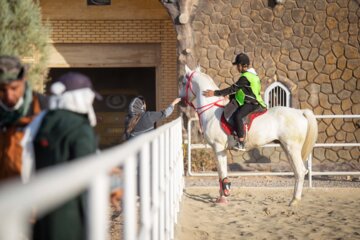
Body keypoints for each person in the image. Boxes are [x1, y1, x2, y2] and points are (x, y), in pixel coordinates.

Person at [31, 72, 101, 240]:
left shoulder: (41, 120)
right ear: (80, 97)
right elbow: (86, 169)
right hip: (70, 208)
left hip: (42, 202)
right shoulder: (79, 127)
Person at [203, 53, 266, 151]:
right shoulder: (252, 75)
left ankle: (241, 142)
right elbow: (244, 91)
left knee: (238, 115)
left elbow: (234, 88)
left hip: (252, 103)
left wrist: (215, 93)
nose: (237, 68)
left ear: (242, 65)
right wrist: (230, 96)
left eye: (237, 65)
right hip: (250, 100)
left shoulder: (246, 77)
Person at [0, 55, 47, 182]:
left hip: (34, 193)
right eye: (2, 90)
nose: (9, 96)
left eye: (14, 88)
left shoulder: (44, 107)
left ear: (23, 81)